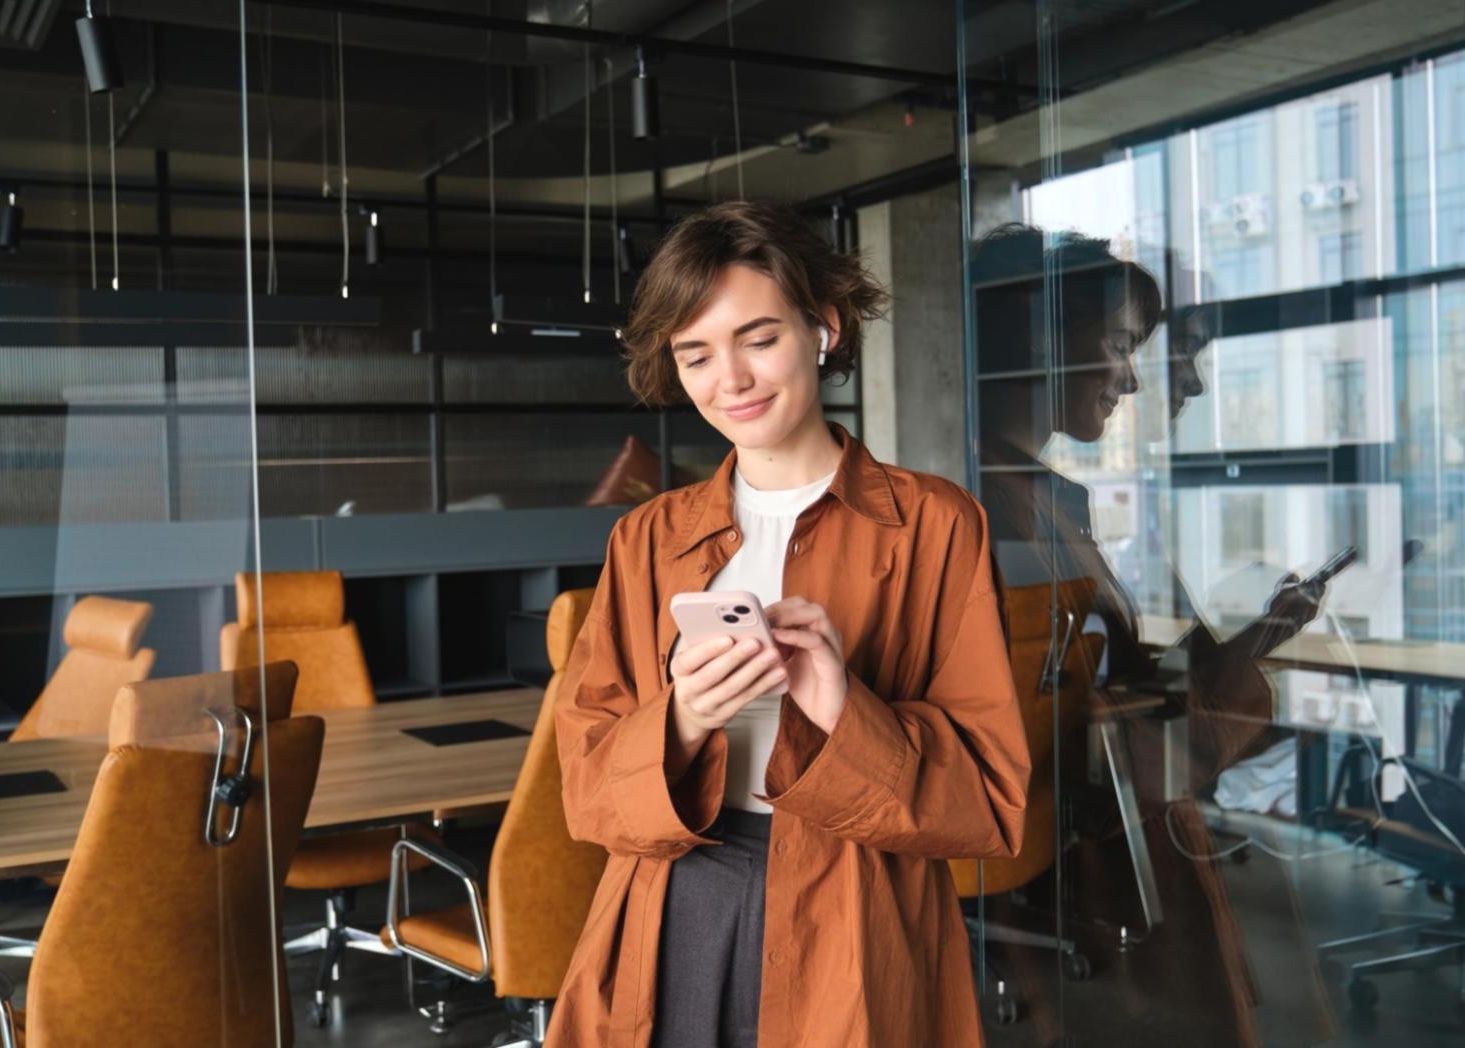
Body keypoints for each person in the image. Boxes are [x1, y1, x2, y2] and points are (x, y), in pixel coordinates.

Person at [548, 200, 1032, 1048]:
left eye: (757, 339)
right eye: (695, 354)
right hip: (675, 893)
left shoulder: (936, 525)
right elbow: (587, 793)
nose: (727, 379)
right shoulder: (647, 537)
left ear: (823, 328)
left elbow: (988, 801)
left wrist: (845, 706)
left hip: (854, 893)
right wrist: (686, 718)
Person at [972, 224, 1334, 1045]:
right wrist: (1230, 687)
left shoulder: (1040, 501)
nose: (1133, 378)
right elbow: (1092, 730)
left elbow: (1103, 683)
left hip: (1110, 865)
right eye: (1117, 345)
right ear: (1039, 341)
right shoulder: (994, 513)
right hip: (1091, 876)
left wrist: (1253, 641)